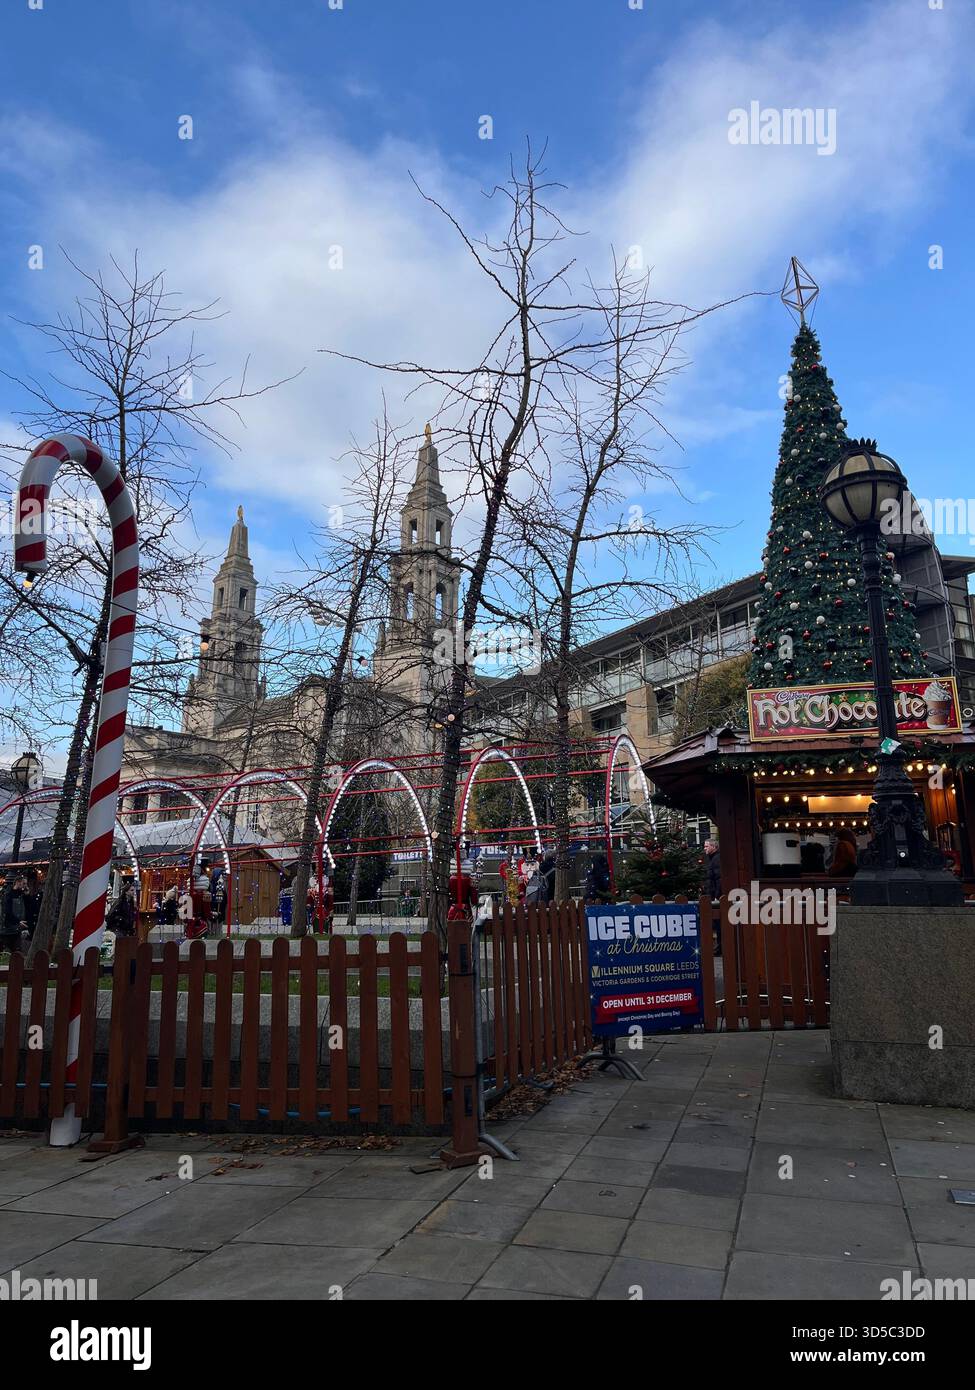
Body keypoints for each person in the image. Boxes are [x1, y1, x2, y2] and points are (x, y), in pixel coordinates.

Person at [1, 874, 27, 954]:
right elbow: (7, 911)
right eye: (23, 883)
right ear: (18, 882)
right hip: (8, 928)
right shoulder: (8, 894)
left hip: (17, 929)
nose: (25, 886)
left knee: (17, 951)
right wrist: (18, 921)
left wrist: (28, 895)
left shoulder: (22, 895)